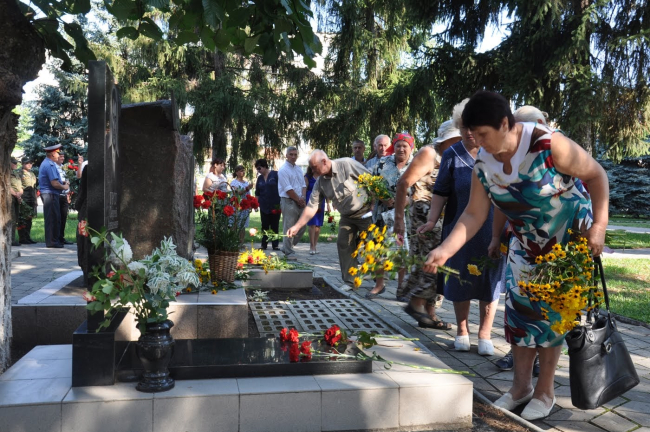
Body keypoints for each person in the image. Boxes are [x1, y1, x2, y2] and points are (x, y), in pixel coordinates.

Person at [423, 91, 608, 420]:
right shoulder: (484, 164)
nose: (477, 142)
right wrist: (444, 249)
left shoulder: (548, 144)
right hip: (526, 241)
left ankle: (545, 391)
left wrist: (599, 226)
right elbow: (473, 214)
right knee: (520, 314)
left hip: (567, 242)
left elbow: (596, 175)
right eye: (472, 134)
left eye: (482, 134)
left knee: (551, 317)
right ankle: (520, 388)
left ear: (505, 124)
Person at [418, 98, 504, 356]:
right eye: (464, 126)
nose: (469, 132)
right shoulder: (452, 154)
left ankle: (485, 334)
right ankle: (462, 331)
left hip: (493, 227)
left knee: (490, 279)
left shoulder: (496, 154)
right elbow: (441, 191)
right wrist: (432, 220)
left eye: (473, 127)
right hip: (460, 227)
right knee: (460, 277)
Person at [492, 105, 551, 375]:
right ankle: (518, 358)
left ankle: (542, 367)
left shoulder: (560, 151)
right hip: (521, 245)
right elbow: (500, 202)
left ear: (539, 123)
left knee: (548, 307)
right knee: (518, 303)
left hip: (557, 247)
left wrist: (596, 229)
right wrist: (495, 237)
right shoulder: (514, 157)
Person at [393, 121, 460, 328]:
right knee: (433, 261)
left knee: (438, 262)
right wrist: (398, 219)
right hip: (424, 215)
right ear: (446, 139)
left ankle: (429, 313)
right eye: (456, 139)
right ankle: (416, 303)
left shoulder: (455, 155)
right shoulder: (429, 153)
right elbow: (403, 183)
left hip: (443, 216)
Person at [287, 150, 372, 285]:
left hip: (366, 213)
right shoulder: (320, 182)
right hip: (347, 216)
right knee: (343, 244)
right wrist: (297, 226)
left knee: (373, 245)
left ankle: (380, 280)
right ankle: (350, 281)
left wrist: (374, 205)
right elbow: (311, 206)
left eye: (314, 167)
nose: (313, 171)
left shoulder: (347, 164)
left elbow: (371, 180)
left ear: (324, 162)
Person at [365, 133, 415, 299]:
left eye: (404, 146)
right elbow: (371, 183)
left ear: (411, 148)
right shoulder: (383, 162)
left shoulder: (416, 164)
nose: (401, 149)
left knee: (402, 250)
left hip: (405, 215)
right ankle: (379, 285)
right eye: (398, 145)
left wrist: (407, 200)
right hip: (382, 213)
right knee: (379, 249)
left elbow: (422, 188)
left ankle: (401, 288)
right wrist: (382, 197)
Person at [278, 146, 307, 259]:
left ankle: (287, 247)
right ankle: (289, 251)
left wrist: (302, 197)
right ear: (286, 155)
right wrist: (298, 199)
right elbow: (288, 189)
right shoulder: (283, 170)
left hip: (300, 200)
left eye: (295, 154)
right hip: (288, 201)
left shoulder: (298, 169)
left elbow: (303, 185)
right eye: (291, 154)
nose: (293, 157)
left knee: (302, 225)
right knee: (289, 226)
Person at [39, 144, 69, 248]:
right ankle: (52, 242)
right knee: (53, 218)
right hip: (50, 194)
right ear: (52, 154)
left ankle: (53, 240)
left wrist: (62, 182)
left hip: (50, 194)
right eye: (57, 153)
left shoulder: (48, 163)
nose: (59, 155)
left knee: (54, 217)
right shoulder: (50, 165)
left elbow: (54, 180)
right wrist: (64, 187)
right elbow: (54, 183)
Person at [254, 159, 281, 250]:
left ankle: (275, 245)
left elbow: (282, 188)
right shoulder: (260, 178)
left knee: (274, 225)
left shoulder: (275, 174)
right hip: (264, 205)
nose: (258, 170)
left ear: (265, 166)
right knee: (264, 225)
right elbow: (257, 193)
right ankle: (263, 245)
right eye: (257, 169)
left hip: (275, 205)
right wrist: (256, 204)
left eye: (259, 168)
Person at [304, 165, 331, 255]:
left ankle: (315, 245)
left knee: (318, 225)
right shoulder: (307, 177)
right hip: (310, 201)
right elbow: (304, 189)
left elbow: (326, 191)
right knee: (312, 224)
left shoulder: (322, 176)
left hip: (321, 201)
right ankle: (311, 246)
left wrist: (328, 204)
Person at [231, 164, 254, 247]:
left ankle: (241, 242)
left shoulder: (246, 182)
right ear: (237, 172)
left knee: (243, 225)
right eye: (241, 171)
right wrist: (247, 188)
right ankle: (233, 241)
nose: (243, 172)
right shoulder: (234, 182)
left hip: (245, 206)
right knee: (235, 224)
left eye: (244, 170)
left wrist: (250, 205)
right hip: (236, 205)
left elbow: (248, 195)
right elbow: (238, 192)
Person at [19, 156, 38, 244]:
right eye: (27, 163)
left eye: (31, 163)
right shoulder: (19, 173)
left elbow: (34, 187)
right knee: (22, 219)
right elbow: (18, 186)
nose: (29, 165)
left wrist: (35, 199)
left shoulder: (32, 174)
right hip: (24, 198)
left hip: (31, 198)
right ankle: (22, 238)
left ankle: (27, 237)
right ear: (23, 164)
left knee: (29, 219)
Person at [56, 152, 73, 245]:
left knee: (63, 217)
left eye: (63, 157)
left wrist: (68, 194)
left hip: (65, 195)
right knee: (57, 218)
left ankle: (61, 237)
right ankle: (56, 238)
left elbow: (68, 181)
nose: (62, 158)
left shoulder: (64, 168)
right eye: (60, 157)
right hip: (57, 195)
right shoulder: (54, 167)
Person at [9, 157, 23, 247]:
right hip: (10, 197)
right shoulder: (6, 173)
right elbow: (7, 185)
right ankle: (11, 239)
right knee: (12, 219)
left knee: (16, 219)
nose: (16, 164)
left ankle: (13, 239)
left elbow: (21, 186)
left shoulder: (16, 173)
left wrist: (20, 194)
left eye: (16, 163)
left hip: (17, 197)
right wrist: (16, 195)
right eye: (14, 163)